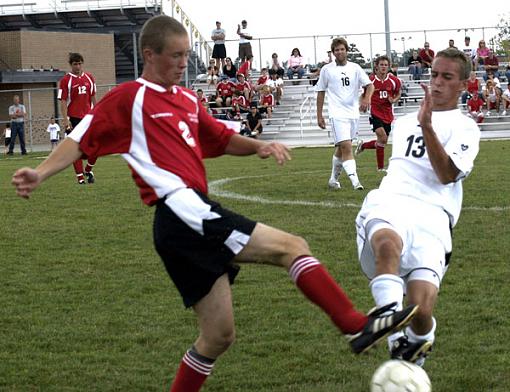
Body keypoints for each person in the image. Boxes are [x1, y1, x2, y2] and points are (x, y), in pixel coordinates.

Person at [11, 15, 417, 392]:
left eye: (187, 54)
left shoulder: (187, 101)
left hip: (181, 225)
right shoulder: (129, 98)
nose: (183, 62)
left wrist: (259, 145)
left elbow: (219, 139)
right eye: (176, 55)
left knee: (217, 336)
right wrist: (41, 172)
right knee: (292, 247)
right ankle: (354, 325)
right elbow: (80, 138)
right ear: (150, 55)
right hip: (182, 212)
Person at [355, 48, 480, 368]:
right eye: (434, 74)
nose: (436, 82)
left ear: (463, 85)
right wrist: (423, 122)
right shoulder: (406, 121)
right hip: (393, 199)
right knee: (387, 242)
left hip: (435, 217)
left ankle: (418, 341)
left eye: (447, 77)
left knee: (422, 312)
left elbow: (447, 174)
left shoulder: (466, 128)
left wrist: (428, 126)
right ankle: (387, 315)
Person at [316, 37, 374, 190]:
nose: (339, 52)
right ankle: (356, 182)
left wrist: (366, 99)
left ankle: (333, 180)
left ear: (346, 50)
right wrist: (319, 115)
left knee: (342, 148)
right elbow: (321, 92)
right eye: (336, 50)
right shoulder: (326, 70)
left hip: (353, 113)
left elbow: (370, 85)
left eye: (342, 49)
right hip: (337, 114)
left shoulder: (355, 67)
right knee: (347, 146)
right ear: (333, 53)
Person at [356, 55, 401, 171]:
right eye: (381, 64)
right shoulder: (370, 80)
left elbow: (398, 93)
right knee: (382, 137)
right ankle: (380, 168)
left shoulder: (394, 81)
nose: (383, 67)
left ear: (389, 67)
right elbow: (363, 94)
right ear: (377, 66)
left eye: (386, 65)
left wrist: (394, 100)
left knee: (383, 141)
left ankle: (363, 145)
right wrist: (363, 103)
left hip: (388, 114)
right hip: (375, 112)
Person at [58, 52, 97, 184]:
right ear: (71, 65)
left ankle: (88, 169)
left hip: (88, 117)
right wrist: (65, 119)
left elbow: (93, 97)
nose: (78, 66)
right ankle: (80, 178)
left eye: (80, 63)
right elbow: (63, 101)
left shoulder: (90, 78)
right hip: (73, 118)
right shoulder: (65, 80)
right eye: (75, 64)